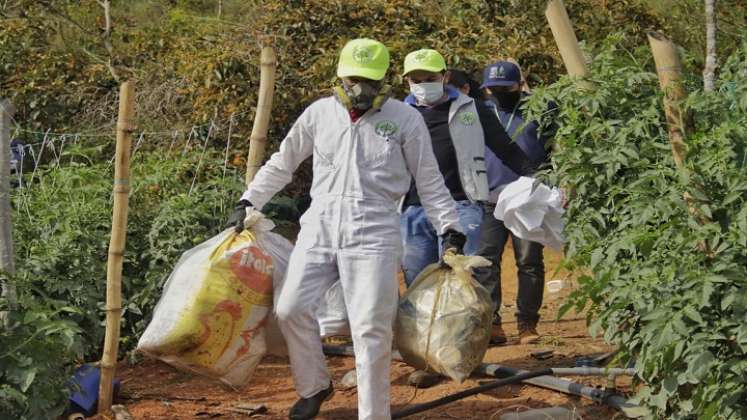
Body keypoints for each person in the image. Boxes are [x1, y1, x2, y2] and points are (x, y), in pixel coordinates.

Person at [227, 38, 465, 420]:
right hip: (319, 226)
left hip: (374, 231)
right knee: (290, 309)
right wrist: (249, 200)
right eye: (353, 79)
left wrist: (449, 226)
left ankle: (373, 414)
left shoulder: (405, 120)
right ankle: (314, 386)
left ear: (385, 81)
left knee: (370, 327)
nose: (360, 89)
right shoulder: (320, 114)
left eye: (369, 81)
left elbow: (429, 178)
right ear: (338, 77)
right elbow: (283, 162)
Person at [399, 50, 534, 287]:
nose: (423, 85)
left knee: (464, 282)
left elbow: (505, 149)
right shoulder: (398, 114)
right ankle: (423, 326)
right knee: (418, 283)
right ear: (406, 81)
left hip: (462, 204)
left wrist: (537, 177)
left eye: (430, 79)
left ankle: (471, 325)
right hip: (414, 209)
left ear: (445, 75)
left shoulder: (472, 108)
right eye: (416, 80)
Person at [474, 60, 557, 346]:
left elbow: (556, 145)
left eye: (505, 88)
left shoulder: (540, 109)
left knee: (529, 261)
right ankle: (492, 323)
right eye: (492, 89)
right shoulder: (480, 112)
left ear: (519, 86)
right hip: (489, 197)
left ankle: (527, 325)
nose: (498, 93)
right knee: (485, 261)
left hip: (528, 197)